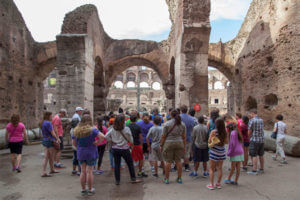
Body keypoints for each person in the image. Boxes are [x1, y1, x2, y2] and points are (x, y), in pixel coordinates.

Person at [73, 114, 104, 196]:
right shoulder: (93, 130)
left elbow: (74, 144)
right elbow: (102, 136)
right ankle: (90, 189)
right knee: (89, 171)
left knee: (82, 171)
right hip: (91, 152)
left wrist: (80, 147)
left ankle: (83, 189)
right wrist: (97, 143)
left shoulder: (76, 130)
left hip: (81, 152)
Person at [105, 114, 141, 185]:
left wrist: (112, 140)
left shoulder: (113, 129)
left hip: (115, 148)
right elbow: (130, 138)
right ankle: (133, 178)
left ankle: (117, 180)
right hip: (125, 148)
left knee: (117, 165)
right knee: (130, 164)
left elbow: (106, 136)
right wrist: (132, 144)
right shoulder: (126, 129)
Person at [160, 110, 186, 184]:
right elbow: (184, 137)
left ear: (171, 115)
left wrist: (161, 145)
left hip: (169, 143)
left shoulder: (167, 124)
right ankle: (179, 178)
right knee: (178, 161)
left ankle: (167, 179)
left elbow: (163, 136)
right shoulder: (182, 124)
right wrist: (184, 147)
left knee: (168, 161)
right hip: (179, 142)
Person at [207, 118, 227, 190]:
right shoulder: (225, 132)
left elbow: (209, 141)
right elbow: (226, 142)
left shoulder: (213, 132)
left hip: (214, 152)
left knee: (211, 168)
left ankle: (211, 184)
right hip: (221, 152)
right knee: (220, 168)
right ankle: (218, 183)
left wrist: (213, 138)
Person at [40, 111, 60, 177]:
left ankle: (46, 170)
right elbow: (52, 133)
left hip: (45, 140)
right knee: (51, 156)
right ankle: (50, 170)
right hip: (50, 141)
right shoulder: (48, 123)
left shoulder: (42, 123)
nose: (52, 117)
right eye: (51, 115)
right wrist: (57, 138)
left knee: (46, 157)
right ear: (48, 116)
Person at [247, 109, 265, 175]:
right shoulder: (261, 120)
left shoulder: (252, 120)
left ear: (252, 113)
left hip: (254, 139)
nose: (249, 115)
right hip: (261, 139)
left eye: (250, 114)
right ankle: (261, 168)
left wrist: (248, 137)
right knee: (261, 154)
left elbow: (249, 130)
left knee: (254, 154)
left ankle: (254, 170)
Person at [180, 105, 196, 172]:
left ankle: (177, 166)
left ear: (181, 110)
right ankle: (187, 166)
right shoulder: (192, 119)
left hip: (180, 138)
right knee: (187, 153)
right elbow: (195, 127)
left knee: (178, 152)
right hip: (188, 137)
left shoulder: (178, 118)